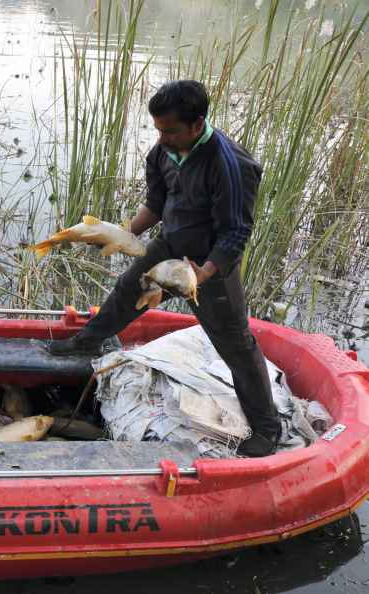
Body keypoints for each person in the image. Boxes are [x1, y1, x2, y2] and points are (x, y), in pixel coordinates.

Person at [47, 80, 281, 457]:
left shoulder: (230, 164)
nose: (162, 138)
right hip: (171, 242)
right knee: (128, 288)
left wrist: (201, 274)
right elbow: (155, 204)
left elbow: (236, 232)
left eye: (170, 131)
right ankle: (86, 342)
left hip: (210, 264)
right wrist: (122, 235)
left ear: (196, 123)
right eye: (158, 130)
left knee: (236, 345)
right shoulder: (163, 151)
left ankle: (267, 430)